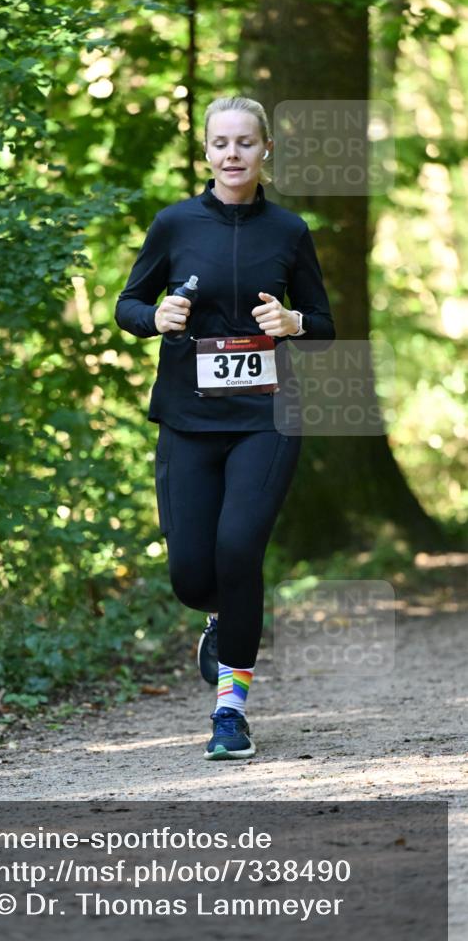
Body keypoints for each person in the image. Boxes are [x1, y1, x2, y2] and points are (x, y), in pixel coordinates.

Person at [115, 96, 335, 760]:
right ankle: (220, 615)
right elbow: (128, 304)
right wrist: (155, 319)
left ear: (265, 150)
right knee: (191, 573)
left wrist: (294, 325)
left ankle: (230, 710)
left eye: (244, 142)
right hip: (188, 417)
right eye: (220, 143)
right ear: (205, 151)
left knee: (237, 550)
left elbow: (323, 328)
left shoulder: (289, 231)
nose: (232, 154)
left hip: (266, 418)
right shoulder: (174, 223)